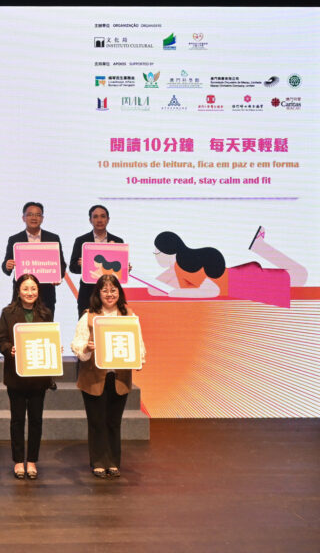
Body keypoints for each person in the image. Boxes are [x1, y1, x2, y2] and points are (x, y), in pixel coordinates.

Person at [71, 274, 147, 479]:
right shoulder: (88, 316)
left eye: (113, 290)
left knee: (114, 421)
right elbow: (77, 344)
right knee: (97, 421)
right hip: (94, 377)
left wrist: (139, 358)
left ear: (119, 293)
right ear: (98, 294)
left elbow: (138, 342)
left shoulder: (129, 316)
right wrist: (87, 347)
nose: (109, 294)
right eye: (105, 290)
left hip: (119, 377)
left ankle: (113, 461)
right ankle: (98, 462)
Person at [0, 273, 54, 480]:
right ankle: (19, 460)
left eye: (33, 288)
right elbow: (0, 339)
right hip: (16, 375)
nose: (30, 292)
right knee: (17, 419)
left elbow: (50, 337)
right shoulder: (8, 312)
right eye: (25, 289)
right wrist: (9, 349)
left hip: (39, 376)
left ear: (38, 291)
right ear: (18, 291)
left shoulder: (46, 313)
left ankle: (33, 460)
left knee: (36, 420)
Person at [149, 229, 306, 305]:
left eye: (157, 253)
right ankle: (259, 245)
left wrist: (175, 293)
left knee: (300, 275)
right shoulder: (177, 268)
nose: (156, 257)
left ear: (168, 252)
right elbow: (153, 289)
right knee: (298, 276)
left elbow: (212, 290)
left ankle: (259, 246)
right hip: (238, 282)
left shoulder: (186, 268)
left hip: (242, 283)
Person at [1, 202, 66, 316]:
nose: (34, 218)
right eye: (30, 214)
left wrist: (58, 276)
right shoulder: (15, 239)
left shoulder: (53, 238)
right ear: (23, 218)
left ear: (42, 218)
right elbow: (6, 266)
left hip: (46, 294)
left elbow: (61, 264)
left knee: (45, 325)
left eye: (38, 215)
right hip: (22, 295)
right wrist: (7, 265)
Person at [69, 204, 124, 317]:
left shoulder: (118, 241)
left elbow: (119, 270)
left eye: (103, 216)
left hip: (110, 294)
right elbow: (73, 267)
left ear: (108, 219)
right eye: (95, 217)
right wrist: (82, 265)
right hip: (87, 294)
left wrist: (125, 269)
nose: (99, 220)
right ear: (90, 220)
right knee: (86, 324)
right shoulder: (81, 241)